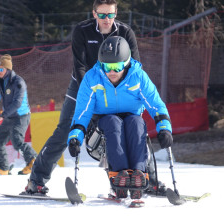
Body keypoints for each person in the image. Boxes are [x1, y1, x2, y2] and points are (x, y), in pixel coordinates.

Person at [22, 0, 143, 195]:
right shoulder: (83, 30)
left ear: (116, 13)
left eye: (110, 15)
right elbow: (79, 66)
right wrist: (91, 92)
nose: (107, 19)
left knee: (119, 131)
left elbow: (135, 66)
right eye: (102, 15)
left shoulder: (125, 32)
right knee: (65, 133)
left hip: (114, 89)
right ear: (94, 13)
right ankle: (36, 180)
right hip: (82, 87)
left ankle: (139, 182)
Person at [67, 36, 173, 200]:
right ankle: (119, 176)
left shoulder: (138, 77)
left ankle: (138, 176)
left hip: (132, 121)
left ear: (126, 62)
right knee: (113, 122)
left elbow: (156, 105)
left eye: (116, 67)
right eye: (107, 66)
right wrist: (75, 137)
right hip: (101, 127)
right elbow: (82, 112)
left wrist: (164, 129)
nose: (111, 72)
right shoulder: (92, 78)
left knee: (136, 122)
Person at [0, 54, 37, 176]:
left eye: (1, 69)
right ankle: (3, 167)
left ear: (8, 69)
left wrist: (2, 115)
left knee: (17, 140)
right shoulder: (1, 82)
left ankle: (33, 161)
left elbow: (17, 103)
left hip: (21, 116)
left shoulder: (18, 82)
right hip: (9, 116)